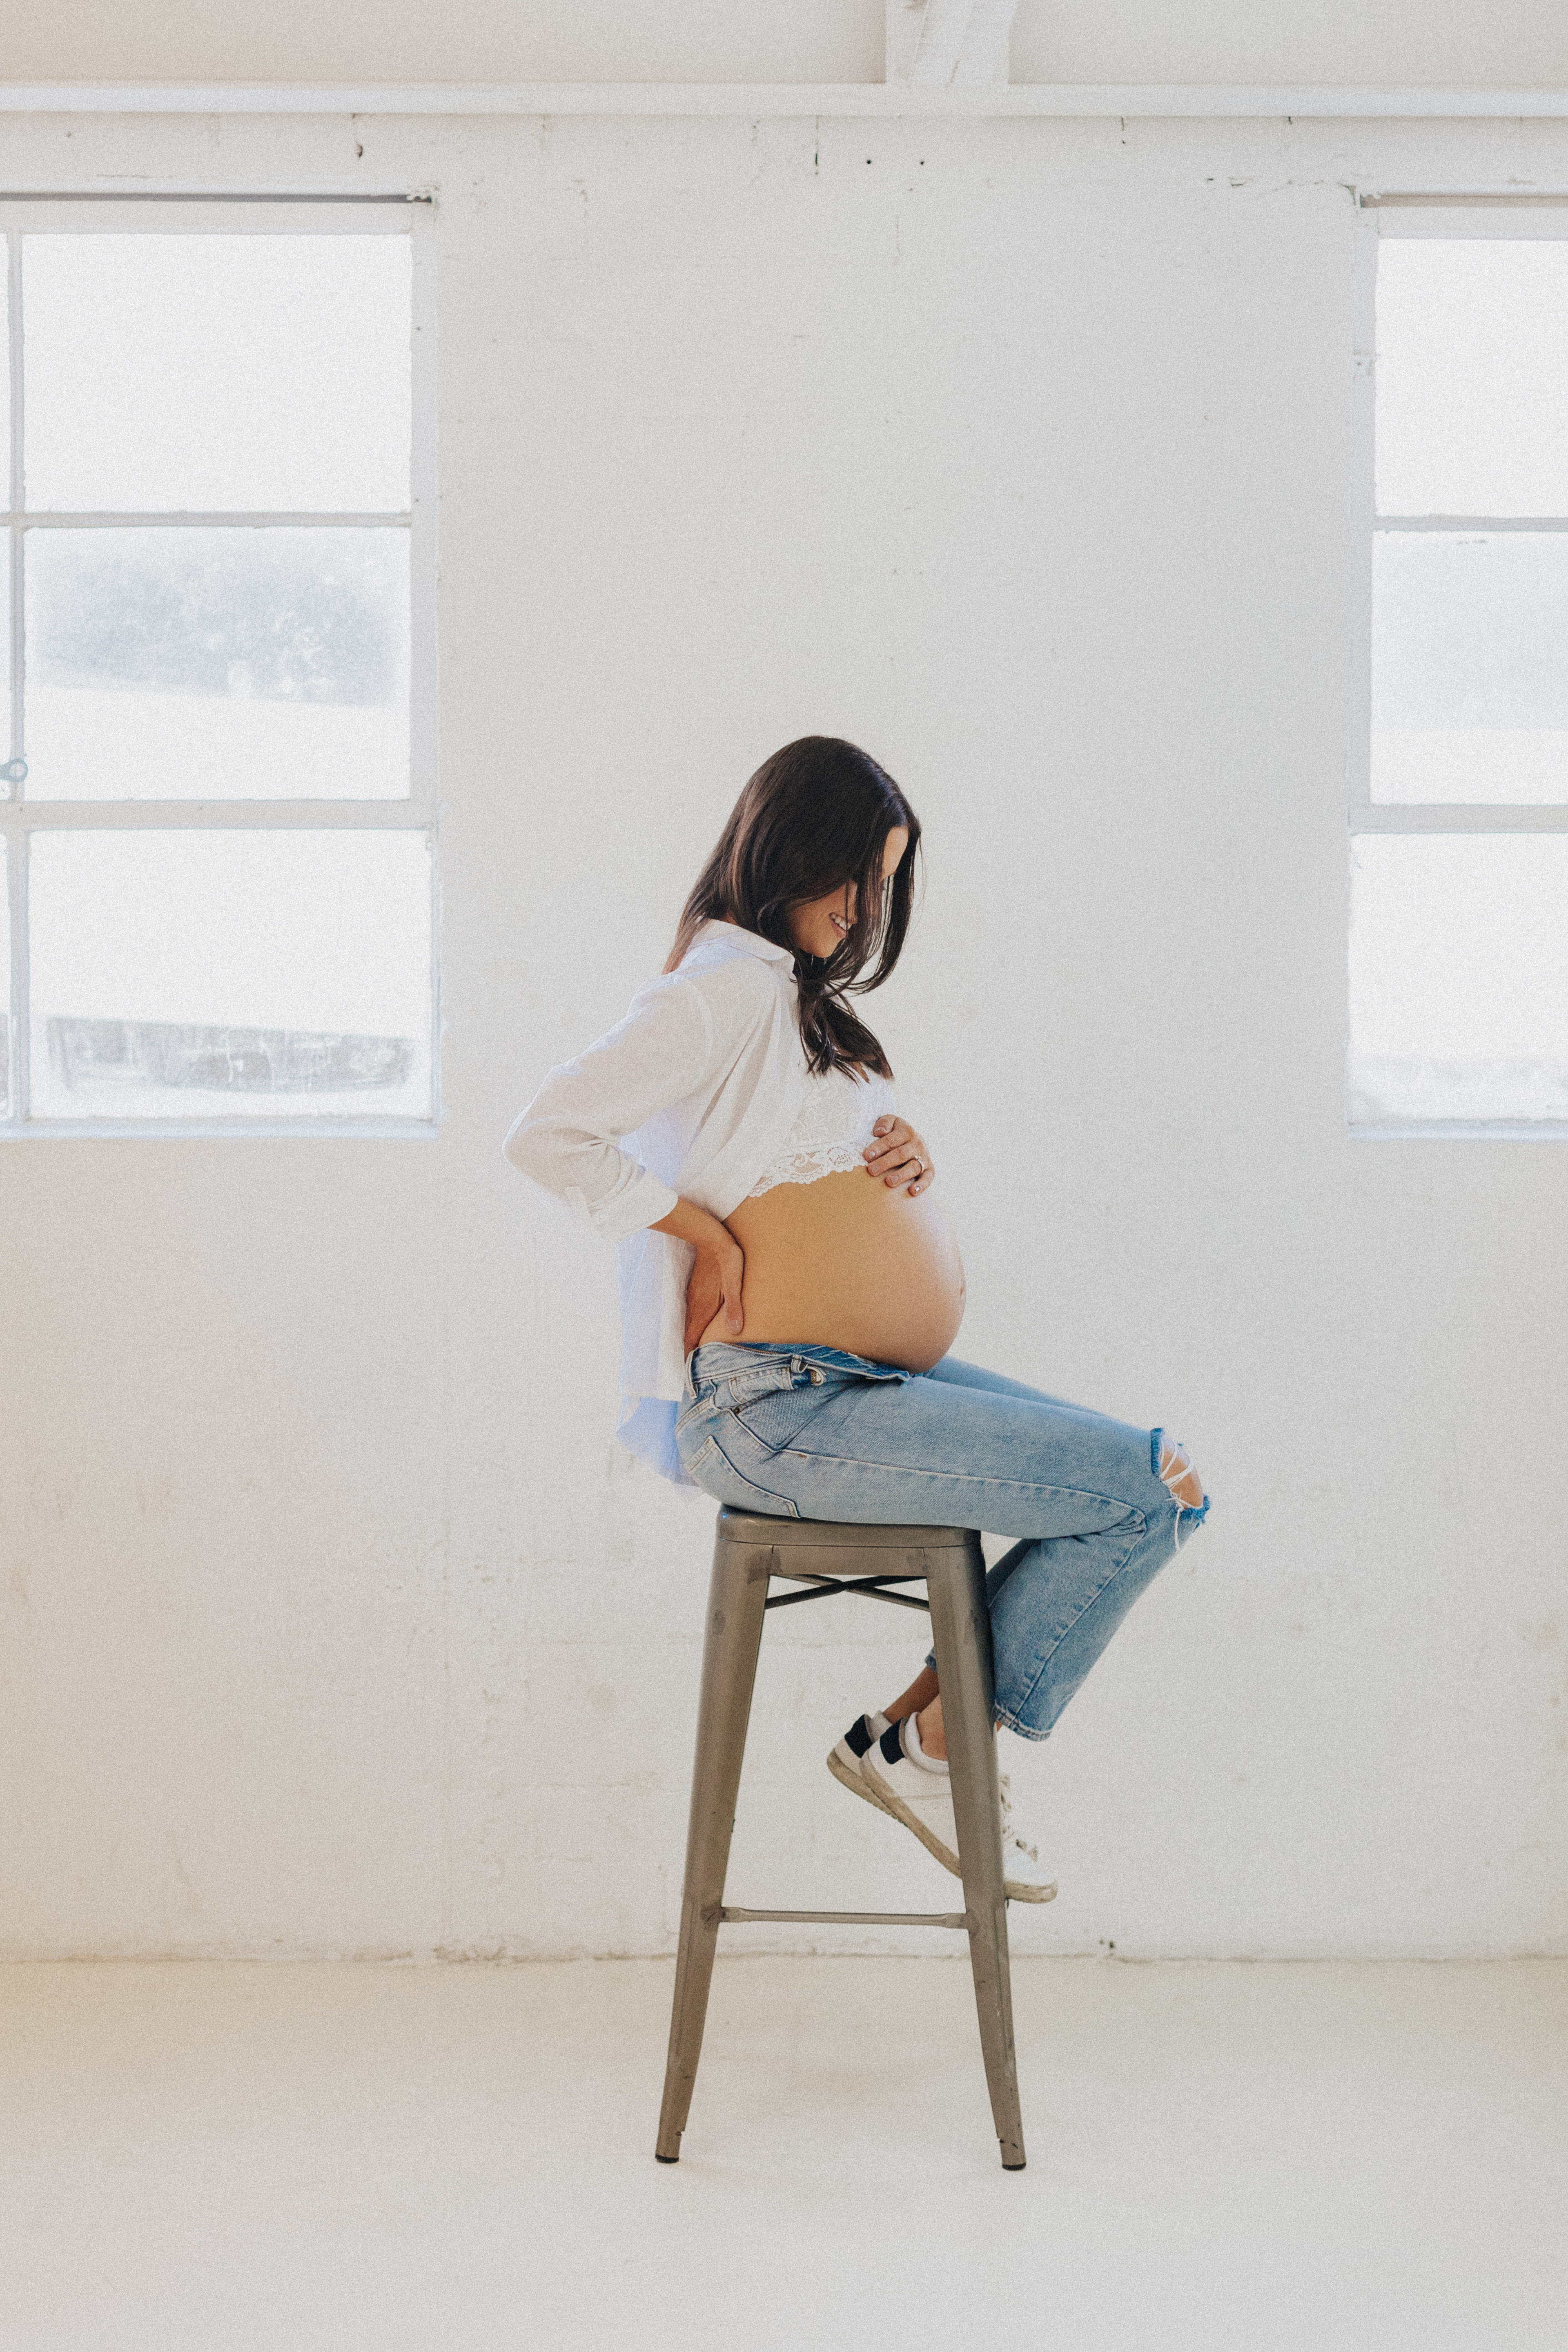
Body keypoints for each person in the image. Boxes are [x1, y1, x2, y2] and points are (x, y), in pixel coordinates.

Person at [504, 735, 1211, 1900]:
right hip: (772, 1405)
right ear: (792, 852)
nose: (866, 906)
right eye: (855, 876)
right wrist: (700, 1232)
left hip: (857, 1390)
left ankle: (918, 1747)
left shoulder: (799, 1007)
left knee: (1167, 1486)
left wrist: (904, 1156)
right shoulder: (717, 991)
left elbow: (802, 1162)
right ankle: (935, 1756)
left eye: (883, 883)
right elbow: (547, 1132)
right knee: (1149, 1484)